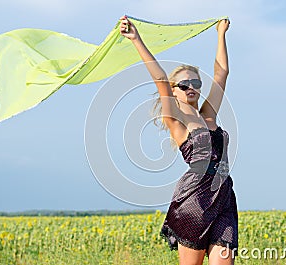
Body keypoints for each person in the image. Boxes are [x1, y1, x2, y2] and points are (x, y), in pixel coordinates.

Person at [119, 15, 238, 265]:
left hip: (224, 194)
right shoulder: (175, 118)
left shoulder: (208, 114)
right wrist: (136, 39)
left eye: (195, 82)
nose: (190, 87)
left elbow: (221, 73)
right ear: (174, 90)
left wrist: (220, 34)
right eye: (183, 84)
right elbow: (160, 78)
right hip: (195, 197)